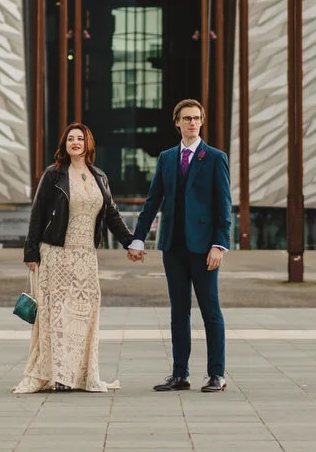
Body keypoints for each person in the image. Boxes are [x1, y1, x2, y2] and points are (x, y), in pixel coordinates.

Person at [14, 123, 135, 393]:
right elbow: (37, 213)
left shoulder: (99, 176)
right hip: (56, 253)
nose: (76, 142)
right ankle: (59, 376)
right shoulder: (53, 174)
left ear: (88, 143)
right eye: (71, 138)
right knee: (57, 315)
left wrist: (131, 242)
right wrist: (30, 252)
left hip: (86, 256)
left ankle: (81, 374)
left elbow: (112, 214)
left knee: (84, 314)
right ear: (65, 144)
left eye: (80, 138)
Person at [127, 99, 231, 393]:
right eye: (187, 118)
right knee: (179, 312)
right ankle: (180, 374)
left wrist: (219, 245)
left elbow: (223, 205)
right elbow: (152, 201)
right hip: (173, 246)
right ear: (177, 122)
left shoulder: (215, 158)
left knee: (210, 309)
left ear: (202, 121)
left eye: (196, 118)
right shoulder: (167, 158)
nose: (192, 123)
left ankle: (216, 374)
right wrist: (138, 239)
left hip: (204, 248)